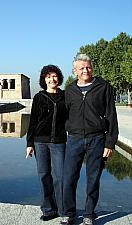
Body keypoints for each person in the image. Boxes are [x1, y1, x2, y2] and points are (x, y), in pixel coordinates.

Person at [60, 53, 119, 225]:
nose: (86, 70)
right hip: (74, 139)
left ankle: (89, 214)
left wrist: (110, 142)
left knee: (93, 179)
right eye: (82, 68)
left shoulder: (103, 86)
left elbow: (111, 115)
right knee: (69, 177)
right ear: (75, 70)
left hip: (97, 139)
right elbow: (65, 114)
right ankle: (68, 213)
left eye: (88, 67)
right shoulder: (70, 90)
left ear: (92, 68)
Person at [26, 65, 67, 221]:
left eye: (54, 76)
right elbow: (33, 122)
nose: (52, 79)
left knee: (60, 177)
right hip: (40, 142)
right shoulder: (39, 97)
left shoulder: (65, 96)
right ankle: (49, 210)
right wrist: (29, 144)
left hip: (59, 142)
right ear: (44, 79)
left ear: (59, 78)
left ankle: (64, 211)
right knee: (44, 175)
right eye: (48, 76)